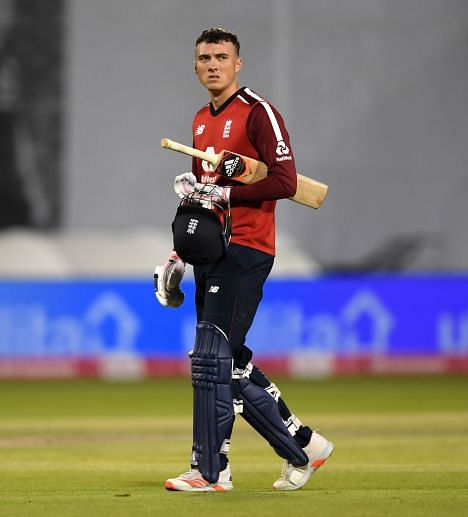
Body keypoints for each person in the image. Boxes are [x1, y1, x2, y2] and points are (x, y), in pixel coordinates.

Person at [154, 27, 334, 492]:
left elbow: (286, 181)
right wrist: (178, 253)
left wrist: (226, 189)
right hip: (211, 251)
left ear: (238, 64)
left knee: (212, 360)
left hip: (248, 248)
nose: (212, 64)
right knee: (225, 362)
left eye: (221, 56)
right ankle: (304, 446)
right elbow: (202, 199)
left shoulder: (259, 113)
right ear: (195, 67)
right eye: (204, 57)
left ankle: (210, 470)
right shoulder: (199, 120)